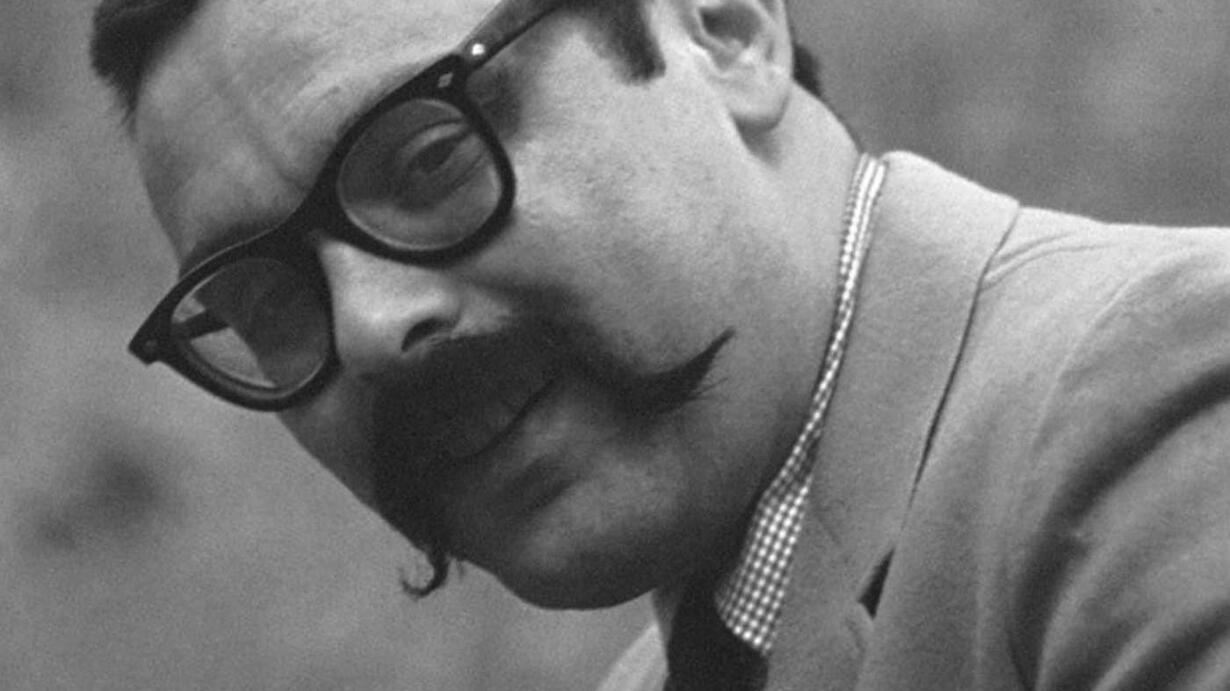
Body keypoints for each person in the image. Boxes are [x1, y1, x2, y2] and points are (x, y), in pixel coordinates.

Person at [89, 0, 1230, 688]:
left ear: (725, 32)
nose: (371, 327)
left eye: (430, 159)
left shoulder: (1163, 394)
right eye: (268, 303)